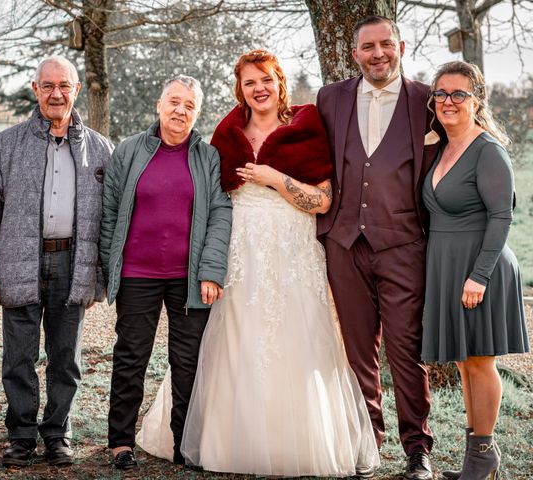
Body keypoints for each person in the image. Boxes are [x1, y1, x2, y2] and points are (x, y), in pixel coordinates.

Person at [136, 49, 380, 478]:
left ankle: (296, 443)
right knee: (234, 338)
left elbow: (322, 200)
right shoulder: (227, 133)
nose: (259, 89)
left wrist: (275, 179)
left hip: (293, 251)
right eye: (250, 83)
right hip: (241, 252)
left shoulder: (305, 127)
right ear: (240, 90)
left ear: (279, 81)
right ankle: (227, 440)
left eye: (265, 79)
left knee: (296, 338)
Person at [0, 56, 112, 467]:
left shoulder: (101, 149)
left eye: (64, 85)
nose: (56, 94)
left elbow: (112, 218)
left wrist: (99, 276)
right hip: (19, 261)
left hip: (73, 262)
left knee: (66, 359)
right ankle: (21, 436)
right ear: (35, 90)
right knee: (18, 358)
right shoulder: (6, 145)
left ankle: (57, 435)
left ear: (77, 89)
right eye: (47, 86)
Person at [316, 16, 437, 480]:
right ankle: (368, 442)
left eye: (386, 44)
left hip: (404, 244)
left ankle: (417, 449)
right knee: (356, 350)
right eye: (368, 47)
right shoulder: (331, 98)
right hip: (344, 242)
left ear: (401, 46)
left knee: (407, 348)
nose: (378, 53)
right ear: (355, 54)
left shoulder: (427, 100)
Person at [99, 75, 232, 470]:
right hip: (138, 275)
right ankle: (120, 443)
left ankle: (185, 445)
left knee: (188, 362)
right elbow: (109, 213)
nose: (180, 110)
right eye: (174, 102)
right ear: (159, 105)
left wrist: (211, 271)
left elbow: (220, 216)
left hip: (189, 278)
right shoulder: (128, 151)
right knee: (130, 357)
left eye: (190, 105)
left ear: (198, 113)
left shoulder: (208, 157)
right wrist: (112, 268)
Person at [421, 61, 529, 480]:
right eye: (441, 94)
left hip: (480, 268)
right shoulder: (444, 146)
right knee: (466, 363)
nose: (448, 101)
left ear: (477, 99)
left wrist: (479, 276)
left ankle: (484, 460)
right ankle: (477, 464)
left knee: (481, 362)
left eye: (459, 94)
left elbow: (502, 217)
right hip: (449, 264)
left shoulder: (487, 150)